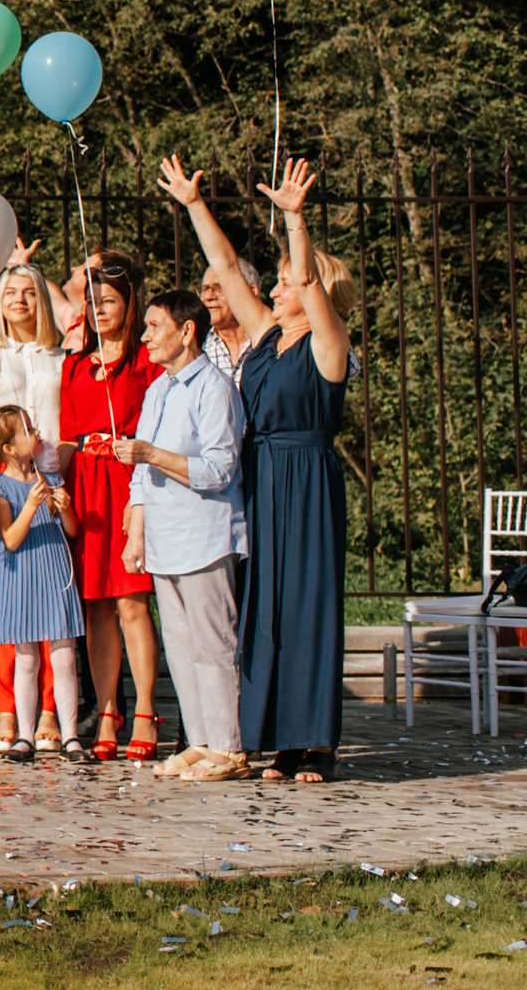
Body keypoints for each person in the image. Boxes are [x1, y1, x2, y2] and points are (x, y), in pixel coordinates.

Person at [160, 155, 354, 783]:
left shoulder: (330, 343)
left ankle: (316, 740)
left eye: (285, 282)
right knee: (263, 605)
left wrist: (295, 221)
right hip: (261, 476)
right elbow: (222, 269)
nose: (274, 289)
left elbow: (310, 285)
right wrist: (194, 205)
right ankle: (276, 736)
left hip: (306, 479)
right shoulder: (268, 336)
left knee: (308, 603)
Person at [116, 289, 250, 782]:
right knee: (179, 644)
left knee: (213, 646)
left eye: (154, 326)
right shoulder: (159, 389)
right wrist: (136, 534)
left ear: (186, 330)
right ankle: (200, 739)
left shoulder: (213, 389)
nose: (145, 336)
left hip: (205, 536)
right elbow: (138, 473)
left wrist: (152, 456)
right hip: (164, 539)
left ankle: (229, 748)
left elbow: (219, 469)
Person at [56, 248, 162, 762]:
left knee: (132, 602)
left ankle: (145, 708)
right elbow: (69, 436)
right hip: (87, 488)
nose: (100, 309)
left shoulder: (147, 361)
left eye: (110, 300)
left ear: (130, 302)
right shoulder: (75, 365)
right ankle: (106, 711)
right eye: (92, 300)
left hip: (130, 480)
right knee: (96, 604)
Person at [0, 256, 68, 753]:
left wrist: (29, 265)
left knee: (54, 597)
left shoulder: (63, 355)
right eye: (9, 292)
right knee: (9, 598)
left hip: (58, 475)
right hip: (6, 484)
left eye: (29, 291)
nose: (20, 300)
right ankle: (9, 707)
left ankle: (51, 708)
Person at [0, 404, 90, 763]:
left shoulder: (51, 478)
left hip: (52, 570)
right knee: (26, 658)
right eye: (28, 431)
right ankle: (24, 736)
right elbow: (10, 538)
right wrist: (33, 505)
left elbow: (71, 530)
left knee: (64, 655)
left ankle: (70, 736)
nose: (37, 434)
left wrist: (65, 506)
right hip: (21, 574)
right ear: (9, 448)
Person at [198, 257, 264, 381]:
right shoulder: (198, 349)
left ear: (251, 292)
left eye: (219, 288)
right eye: (205, 289)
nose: (208, 297)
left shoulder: (273, 343)